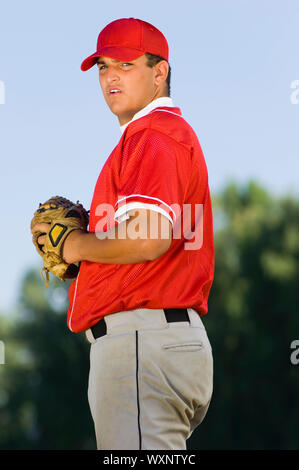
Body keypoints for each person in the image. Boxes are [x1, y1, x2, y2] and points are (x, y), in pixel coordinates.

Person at [34, 17, 215, 450]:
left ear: (160, 72)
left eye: (126, 64)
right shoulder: (170, 137)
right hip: (160, 342)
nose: (111, 76)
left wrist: (73, 245)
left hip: (141, 343)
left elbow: (150, 238)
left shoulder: (152, 134)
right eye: (103, 67)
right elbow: (159, 241)